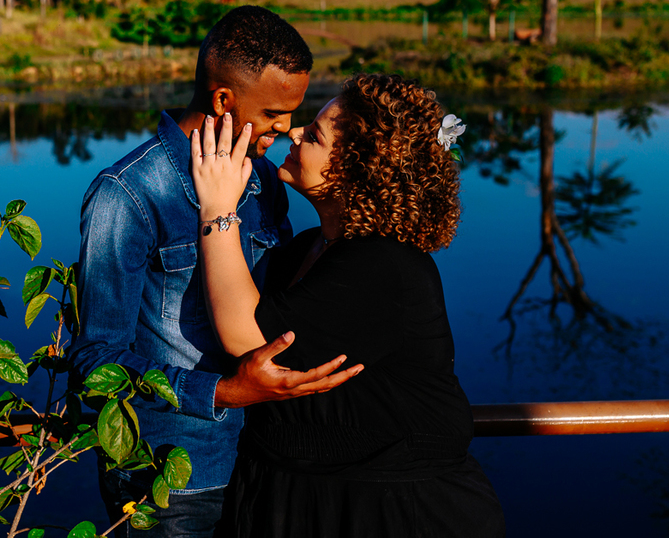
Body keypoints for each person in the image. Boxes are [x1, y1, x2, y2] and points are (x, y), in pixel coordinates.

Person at [68, 7, 359, 538]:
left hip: (265, 465)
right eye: (273, 111)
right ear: (223, 99)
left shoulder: (265, 181)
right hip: (170, 479)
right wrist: (225, 392)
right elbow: (95, 362)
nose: (287, 127)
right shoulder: (129, 193)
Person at [190, 73, 506, 537]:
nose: (294, 133)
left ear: (356, 167)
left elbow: (246, 336)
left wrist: (217, 207)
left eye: (314, 134)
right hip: (297, 497)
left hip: (392, 512)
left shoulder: (384, 267)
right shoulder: (307, 249)